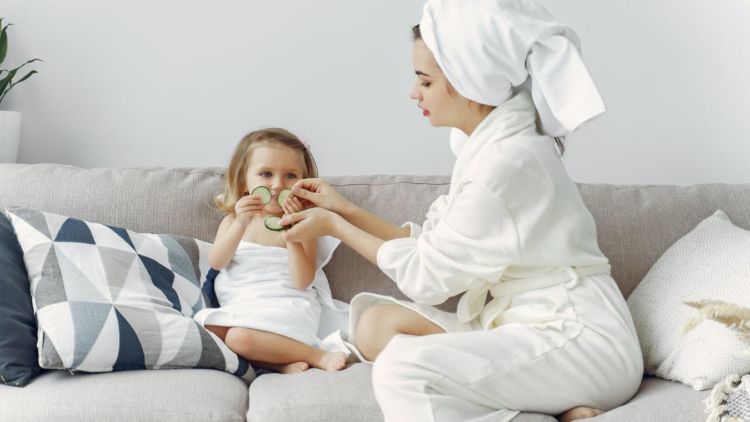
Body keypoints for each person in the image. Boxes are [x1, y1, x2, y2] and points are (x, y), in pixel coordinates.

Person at [278, 0, 643, 420]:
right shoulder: (490, 147)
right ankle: (549, 407)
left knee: (400, 370)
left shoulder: (506, 164)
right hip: (516, 323)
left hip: (583, 344)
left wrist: (336, 225)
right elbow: (432, 249)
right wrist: (343, 209)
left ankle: (552, 398)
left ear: (470, 82)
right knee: (373, 324)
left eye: (426, 81)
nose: (413, 93)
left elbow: (428, 278)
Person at [193, 128, 348, 374]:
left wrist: (292, 234)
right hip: (244, 307)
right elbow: (217, 262)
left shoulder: (305, 225)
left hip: (286, 306)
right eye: (266, 174)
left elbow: (302, 280)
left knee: (238, 339)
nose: (277, 185)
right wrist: (241, 223)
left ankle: (317, 356)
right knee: (208, 328)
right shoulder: (234, 220)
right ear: (244, 180)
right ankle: (280, 363)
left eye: (290, 176)